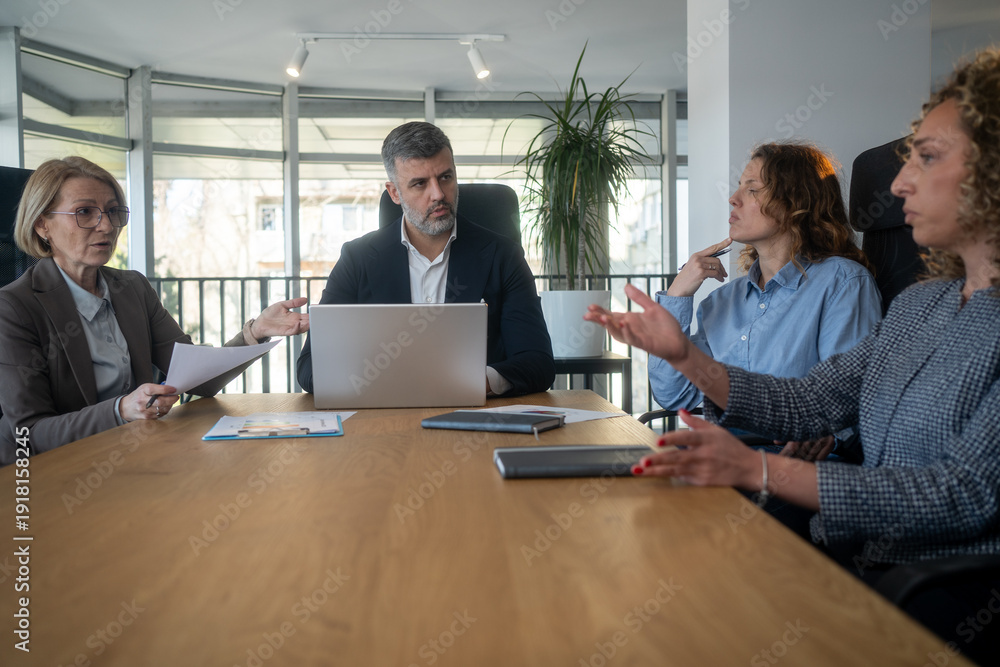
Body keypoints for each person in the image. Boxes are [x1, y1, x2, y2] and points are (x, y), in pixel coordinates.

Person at [585, 48, 1000, 568]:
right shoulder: (921, 304)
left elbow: (959, 497)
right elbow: (808, 402)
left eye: (929, 157)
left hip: (939, 587)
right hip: (862, 552)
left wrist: (760, 471)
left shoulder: (845, 283)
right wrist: (685, 357)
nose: (898, 184)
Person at [0, 156, 309, 464]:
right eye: (84, 212)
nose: (106, 225)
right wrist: (121, 410)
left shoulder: (131, 287)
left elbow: (197, 380)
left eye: (113, 212)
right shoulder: (14, 307)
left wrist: (255, 332)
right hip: (49, 476)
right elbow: (29, 433)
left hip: (132, 456)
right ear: (42, 224)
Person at [650, 142, 881, 460]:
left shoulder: (842, 283)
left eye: (753, 189)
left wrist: (830, 437)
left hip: (795, 472)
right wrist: (677, 294)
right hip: (723, 463)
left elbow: (845, 403)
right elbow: (674, 394)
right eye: (738, 188)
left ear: (795, 202)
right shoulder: (722, 302)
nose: (733, 198)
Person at [296, 121, 554, 396]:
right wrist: (383, 382)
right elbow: (311, 367)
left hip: (474, 419)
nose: (439, 194)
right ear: (394, 192)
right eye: (420, 184)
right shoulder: (357, 259)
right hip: (382, 422)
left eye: (446, 177)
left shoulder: (504, 256)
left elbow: (538, 364)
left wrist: (476, 382)